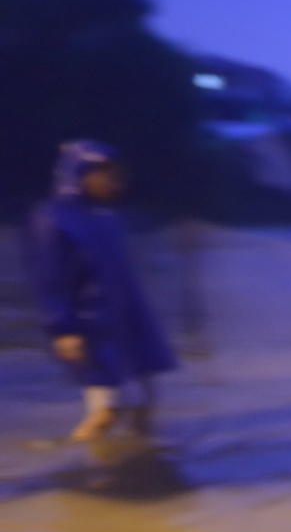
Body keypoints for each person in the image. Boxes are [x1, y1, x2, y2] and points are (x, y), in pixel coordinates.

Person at [27, 141, 178, 442]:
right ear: (81, 174)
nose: (116, 183)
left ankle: (139, 462)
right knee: (106, 413)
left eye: (118, 176)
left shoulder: (106, 218)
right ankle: (71, 465)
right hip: (92, 326)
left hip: (128, 324)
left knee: (145, 405)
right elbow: (50, 279)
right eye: (107, 176)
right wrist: (64, 329)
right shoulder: (52, 218)